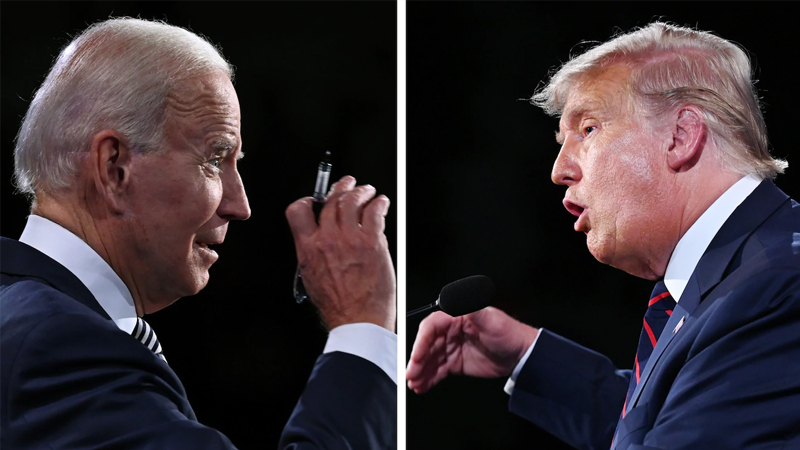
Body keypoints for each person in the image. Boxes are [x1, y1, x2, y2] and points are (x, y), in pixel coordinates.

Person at [0, 17, 397, 449]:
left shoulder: (34, 320)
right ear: (114, 168)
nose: (239, 206)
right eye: (214, 159)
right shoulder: (60, 348)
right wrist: (362, 326)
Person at [407, 22, 800, 450]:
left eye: (589, 129)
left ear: (681, 136)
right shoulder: (744, 276)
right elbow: (677, 421)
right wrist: (526, 354)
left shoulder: (778, 286)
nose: (559, 170)